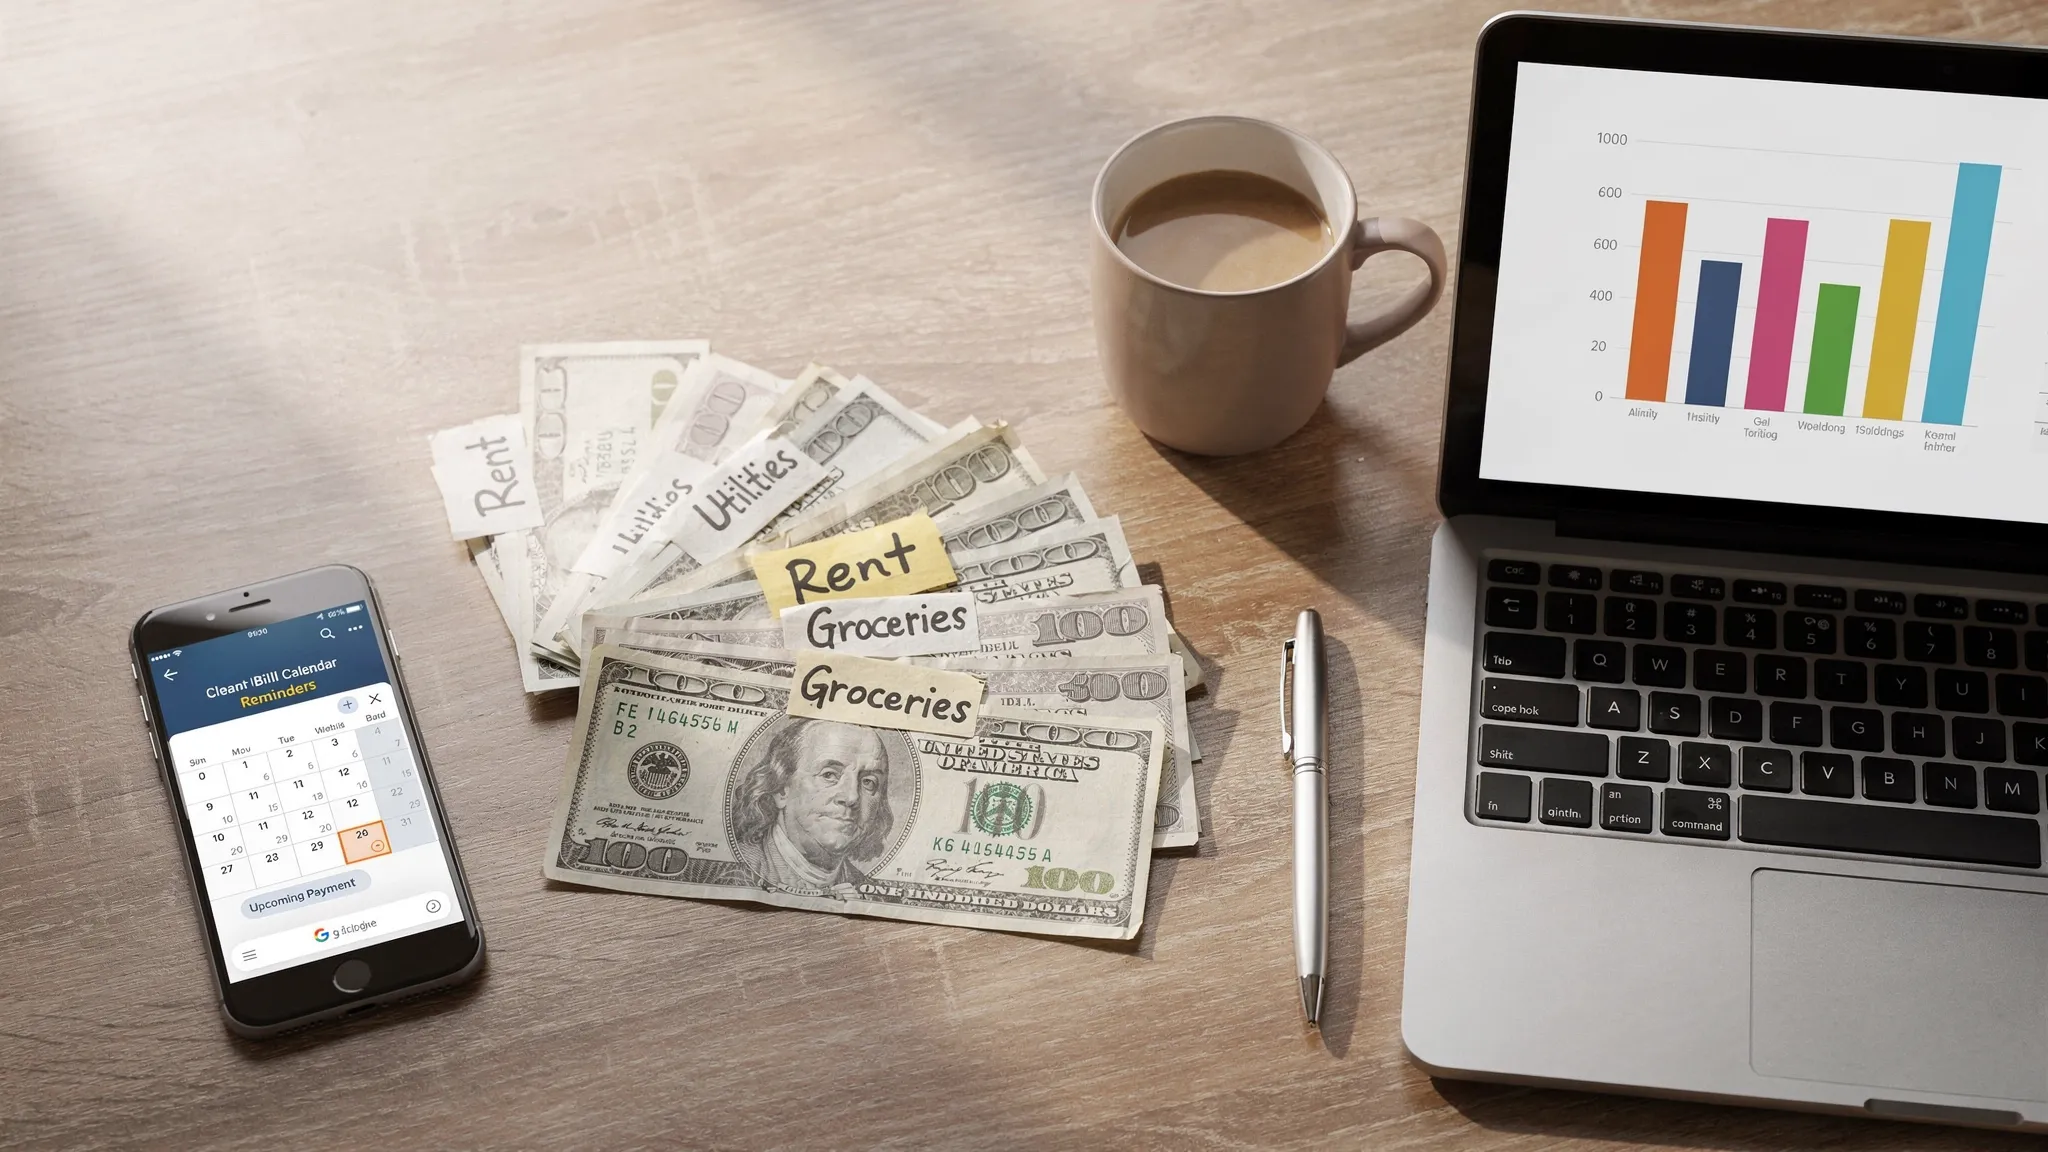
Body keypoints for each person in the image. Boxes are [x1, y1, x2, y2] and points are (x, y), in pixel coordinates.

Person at [731, 718, 896, 894]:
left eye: (869, 782)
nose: (852, 797)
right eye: (829, 774)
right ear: (781, 789)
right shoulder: (734, 871)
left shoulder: (867, 890)